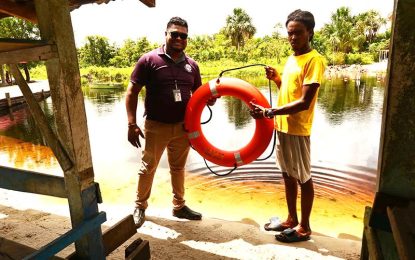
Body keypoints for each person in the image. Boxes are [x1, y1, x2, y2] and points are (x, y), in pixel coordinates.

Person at [126, 17, 215, 227]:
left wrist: (209, 100)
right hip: (156, 125)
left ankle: (179, 206)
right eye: (174, 34)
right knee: (148, 167)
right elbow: (132, 92)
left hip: (183, 126)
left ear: (187, 39)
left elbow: (198, 95)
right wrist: (131, 124)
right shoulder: (149, 60)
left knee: (178, 168)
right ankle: (140, 205)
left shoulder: (192, 66)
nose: (178, 38)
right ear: (165, 34)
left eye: (183, 35)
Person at [250, 9, 326, 243]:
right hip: (283, 127)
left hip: (298, 129)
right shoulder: (293, 58)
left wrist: (269, 112)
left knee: (304, 177)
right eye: (290, 33)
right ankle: (291, 219)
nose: (293, 37)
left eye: (298, 33)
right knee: (287, 174)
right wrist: (276, 79)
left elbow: (304, 102)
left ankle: (304, 227)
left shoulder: (314, 60)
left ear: (310, 33)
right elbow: (290, 90)